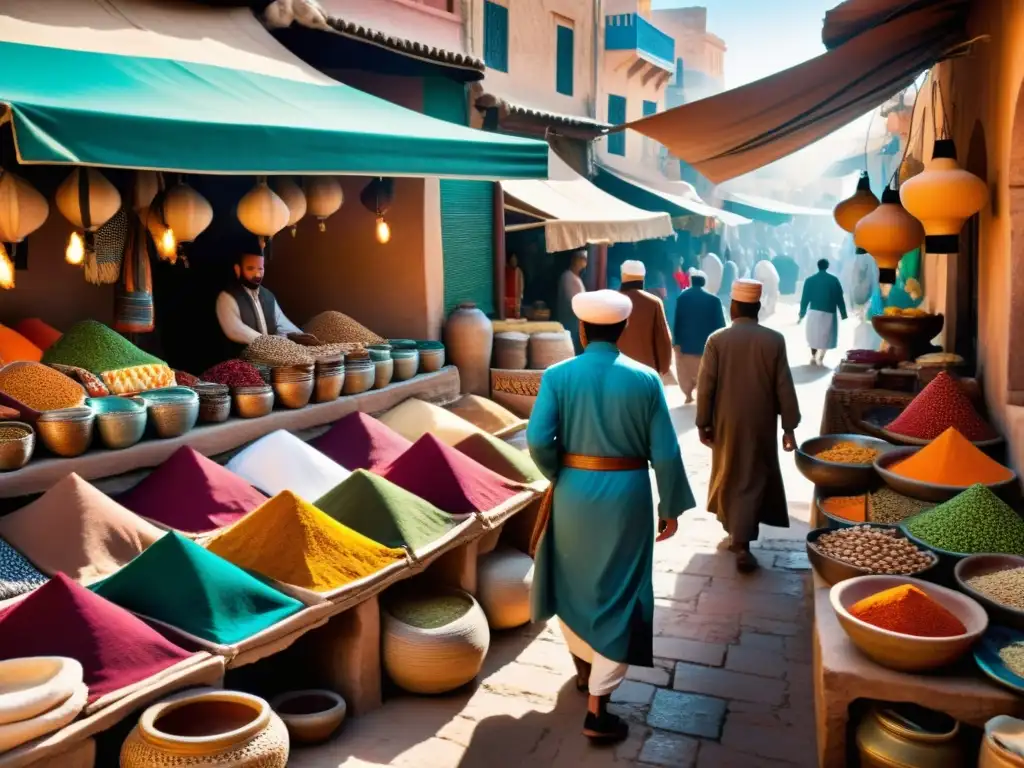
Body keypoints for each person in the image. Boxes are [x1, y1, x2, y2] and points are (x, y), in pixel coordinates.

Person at [527, 289, 695, 743]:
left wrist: (559, 472)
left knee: (575, 582)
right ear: (622, 330)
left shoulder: (558, 375)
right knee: (622, 591)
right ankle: (598, 709)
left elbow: (539, 439)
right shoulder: (645, 380)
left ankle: (586, 670)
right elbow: (665, 449)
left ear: (581, 331)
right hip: (628, 496)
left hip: (574, 493)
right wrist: (671, 504)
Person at [696, 279, 800, 573]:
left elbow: (706, 387)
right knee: (753, 475)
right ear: (757, 308)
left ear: (733, 307)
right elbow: (784, 387)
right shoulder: (774, 340)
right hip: (761, 420)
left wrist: (703, 421)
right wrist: (789, 427)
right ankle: (739, 535)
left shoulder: (717, 340)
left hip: (726, 420)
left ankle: (739, 541)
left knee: (729, 471)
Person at [216, 252, 317, 355]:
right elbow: (235, 330)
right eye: (250, 269)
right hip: (242, 361)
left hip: (270, 358)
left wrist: (299, 336)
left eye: (260, 268)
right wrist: (271, 342)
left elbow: (281, 323)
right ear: (238, 269)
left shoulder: (268, 295)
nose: (257, 274)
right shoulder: (227, 297)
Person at [672, 269, 725, 404]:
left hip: (686, 344)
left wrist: (676, 342)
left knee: (686, 371)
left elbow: (677, 321)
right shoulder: (714, 300)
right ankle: (706, 394)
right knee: (706, 371)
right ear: (704, 282)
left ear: (691, 281)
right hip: (707, 345)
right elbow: (720, 324)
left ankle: (688, 394)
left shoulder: (682, 298)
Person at [616, 260, 673, 377]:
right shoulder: (653, 303)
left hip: (615, 371)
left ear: (623, 276)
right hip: (646, 371)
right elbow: (664, 340)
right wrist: (664, 367)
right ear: (643, 277)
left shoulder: (611, 301)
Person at [799, 258, 848, 366]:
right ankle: (822, 356)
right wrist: (843, 312)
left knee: (814, 335)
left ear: (818, 266)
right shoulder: (834, 280)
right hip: (829, 311)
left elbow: (805, 298)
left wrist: (802, 313)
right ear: (827, 266)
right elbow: (839, 297)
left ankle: (813, 354)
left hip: (814, 311)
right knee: (826, 335)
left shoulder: (810, 280)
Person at [556, 250, 588, 353]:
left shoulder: (575, 277)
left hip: (576, 324)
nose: (584, 263)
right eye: (582, 259)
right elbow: (573, 302)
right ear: (575, 260)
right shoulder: (568, 277)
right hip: (570, 323)